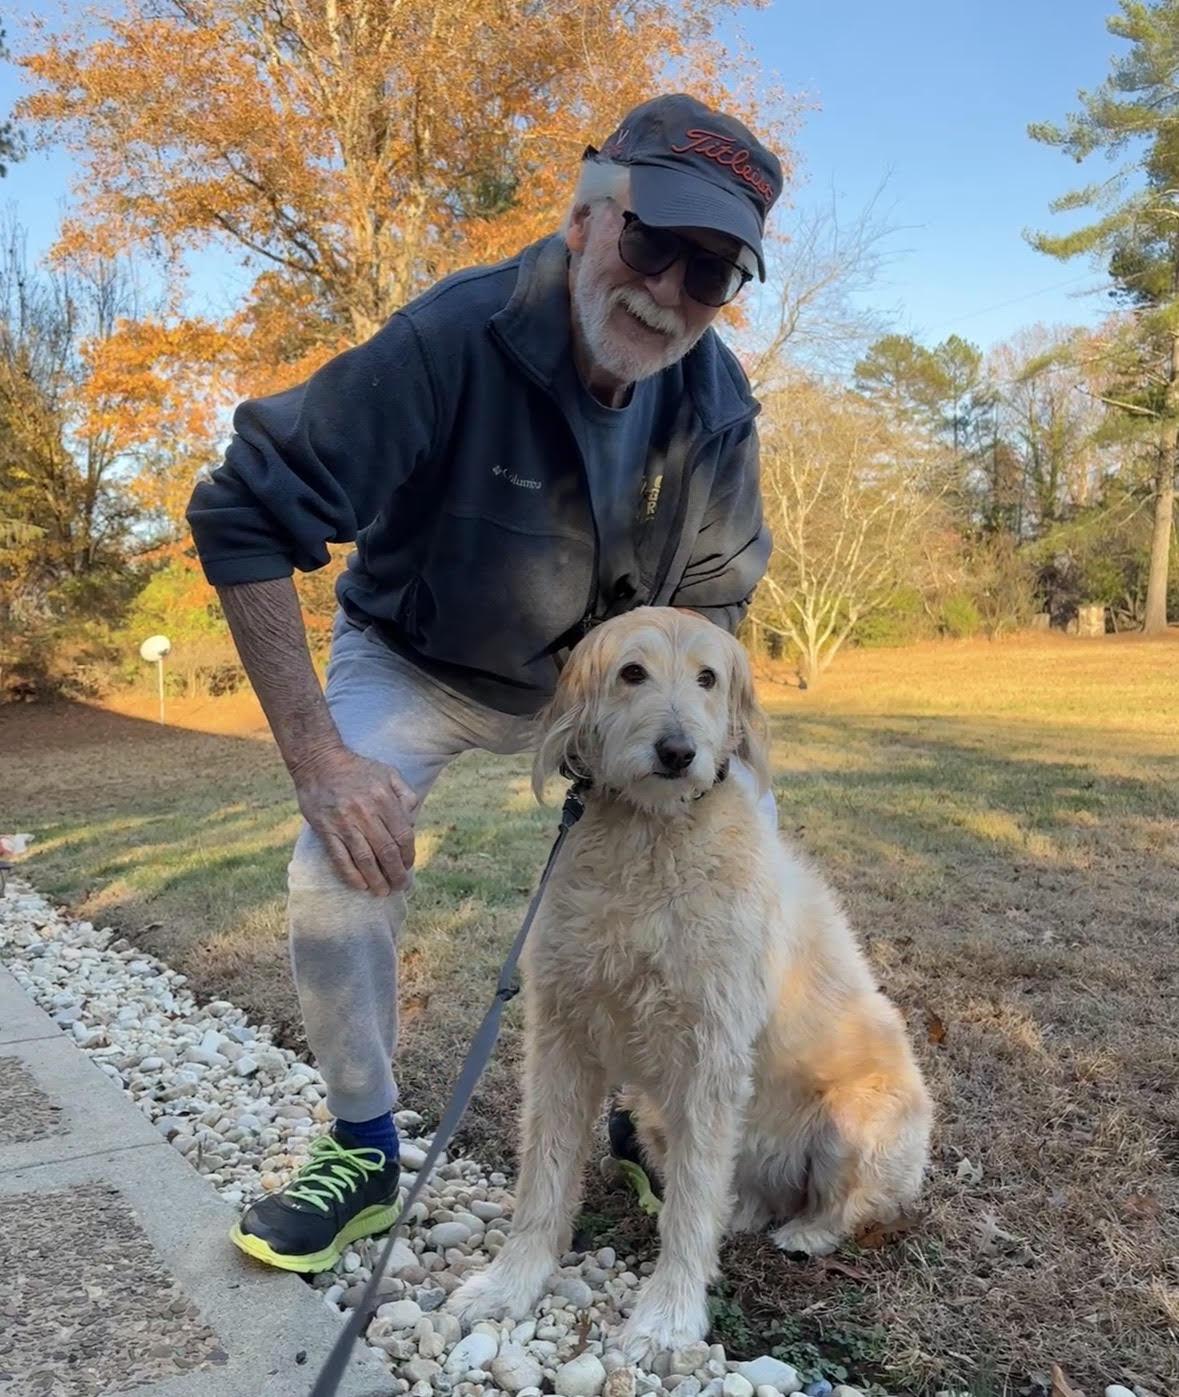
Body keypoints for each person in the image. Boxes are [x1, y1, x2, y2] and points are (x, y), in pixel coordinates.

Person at [186, 92, 783, 1273]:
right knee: (336, 868)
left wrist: (670, 735)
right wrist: (320, 760)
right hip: (418, 659)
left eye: (710, 272)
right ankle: (363, 1144)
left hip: (610, 689)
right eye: (651, 241)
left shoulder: (717, 404)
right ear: (586, 216)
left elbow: (714, 597)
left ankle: (650, 1106)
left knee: (740, 846)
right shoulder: (450, 337)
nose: (668, 291)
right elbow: (242, 510)